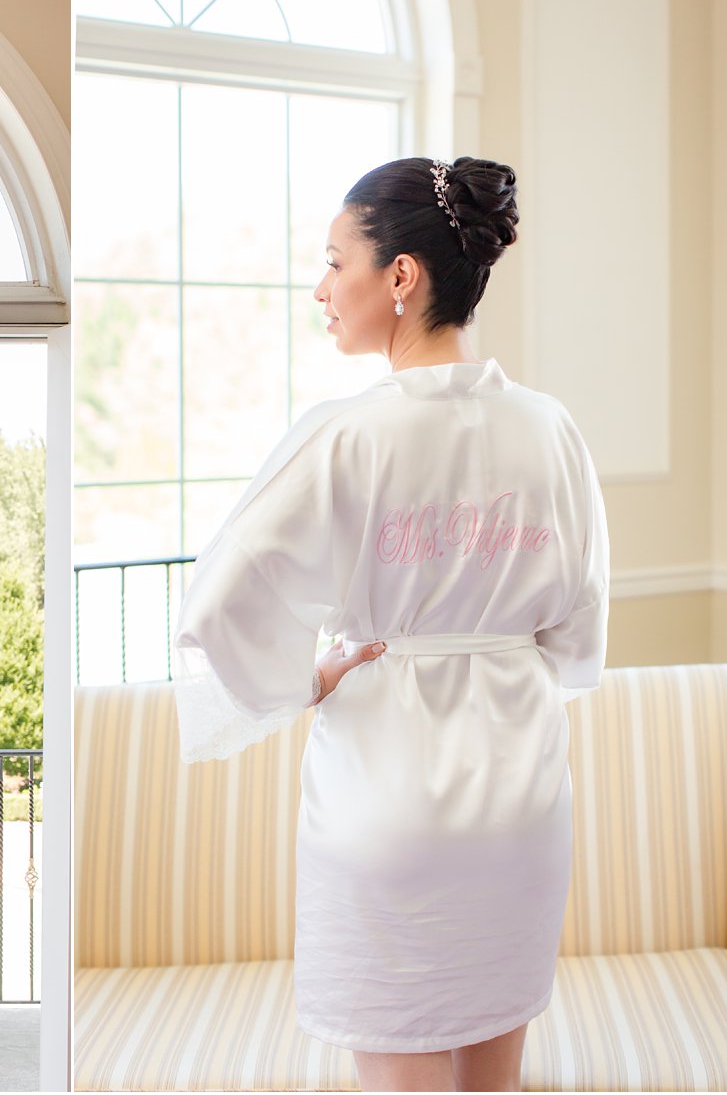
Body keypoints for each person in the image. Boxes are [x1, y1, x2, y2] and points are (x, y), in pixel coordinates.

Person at [173, 157, 609, 1093]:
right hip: (521, 805)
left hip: (385, 807)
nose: (323, 289)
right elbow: (577, 632)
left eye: (337, 262)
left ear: (400, 277)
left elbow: (217, 604)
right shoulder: (551, 428)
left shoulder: (347, 434)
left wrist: (309, 678)